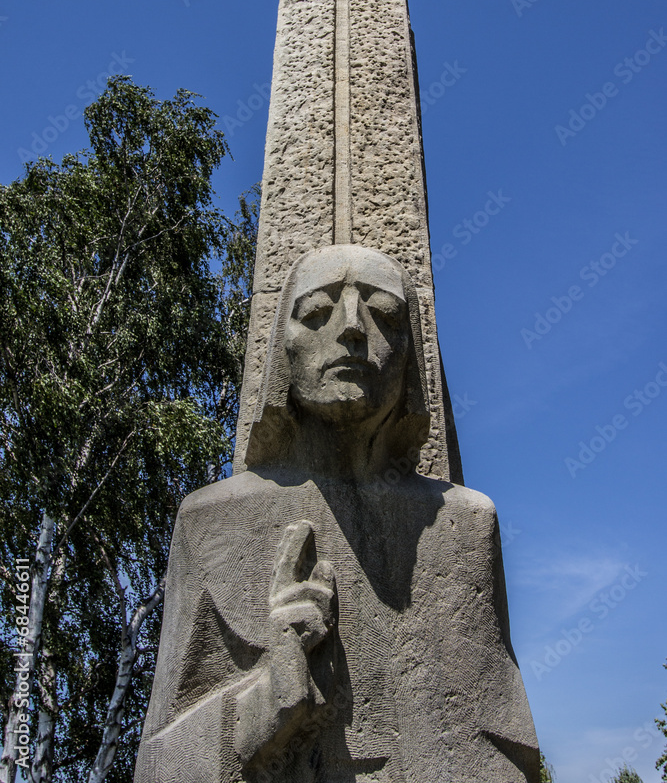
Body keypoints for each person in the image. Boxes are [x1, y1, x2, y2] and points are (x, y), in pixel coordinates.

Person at [134, 245, 540, 783]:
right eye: (318, 312)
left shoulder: (463, 525)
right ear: (282, 346)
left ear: (411, 355)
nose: (352, 328)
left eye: (386, 315)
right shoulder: (210, 522)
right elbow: (159, 767)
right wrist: (268, 700)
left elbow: (506, 753)